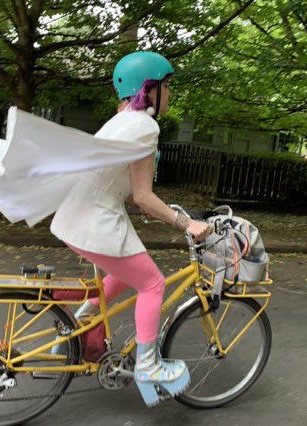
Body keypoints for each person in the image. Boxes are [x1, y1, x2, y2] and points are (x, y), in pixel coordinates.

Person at [50, 51, 210, 407]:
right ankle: (149, 368)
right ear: (149, 88)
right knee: (153, 284)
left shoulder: (122, 120)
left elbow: (126, 184)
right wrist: (187, 223)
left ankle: (74, 332)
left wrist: (157, 208)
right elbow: (143, 197)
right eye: (166, 85)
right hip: (96, 219)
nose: (170, 93)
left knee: (124, 275)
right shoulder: (145, 126)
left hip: (79, 216)